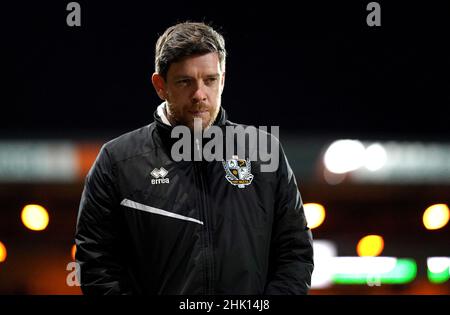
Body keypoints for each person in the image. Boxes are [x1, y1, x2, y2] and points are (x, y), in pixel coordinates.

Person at [75, 21, 314, 295]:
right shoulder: (117, 161)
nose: (200, 94)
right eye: (185, 81)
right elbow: (96, 265)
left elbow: (295, 253)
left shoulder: (264, 151)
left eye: (210, 80)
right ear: (160, 85)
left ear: (222, 80)